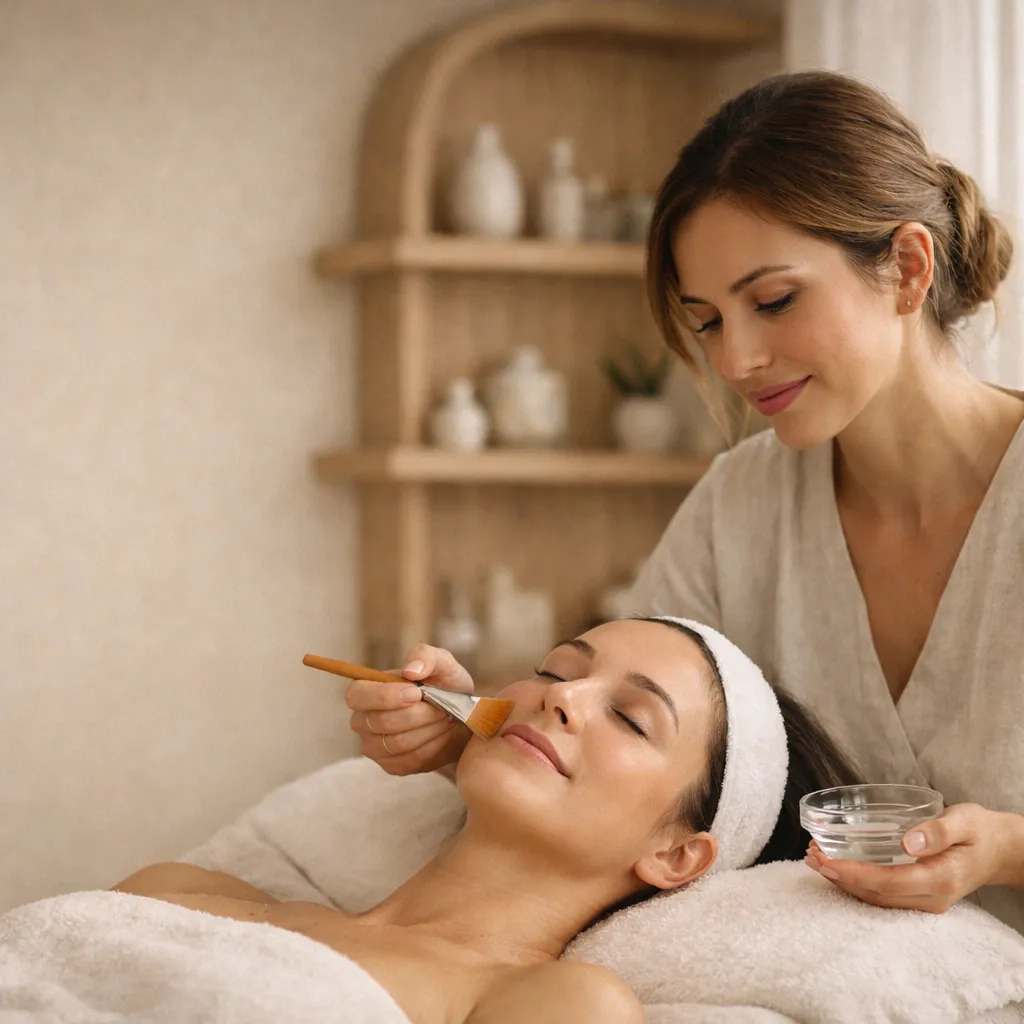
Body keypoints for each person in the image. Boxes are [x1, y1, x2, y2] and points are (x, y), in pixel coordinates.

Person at [348, 71, 1024, 933]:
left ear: (907, 267)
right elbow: (642, 786)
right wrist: (464, 734)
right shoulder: (738, 507)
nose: (735, 361)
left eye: (774, 301)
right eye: (706, 320)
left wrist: (1009, 851)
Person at [114, 617, 859, 1024]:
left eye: (631, 720)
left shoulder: (559, 1007)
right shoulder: (178, 892)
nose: (558, 699)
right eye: (558, 671)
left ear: (677, 856)